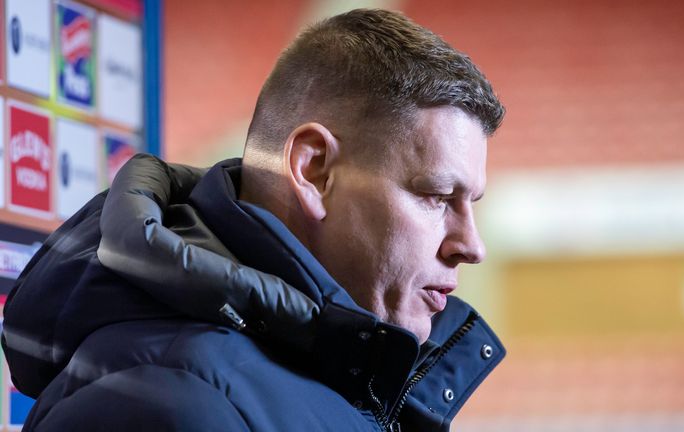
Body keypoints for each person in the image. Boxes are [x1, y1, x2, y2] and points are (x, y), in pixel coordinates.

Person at [2, 8, 505, 431]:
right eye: (438, 196)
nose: (470, 245)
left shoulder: (339, 371)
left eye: (471, 203)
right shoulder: (170, 402)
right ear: (314, 171)